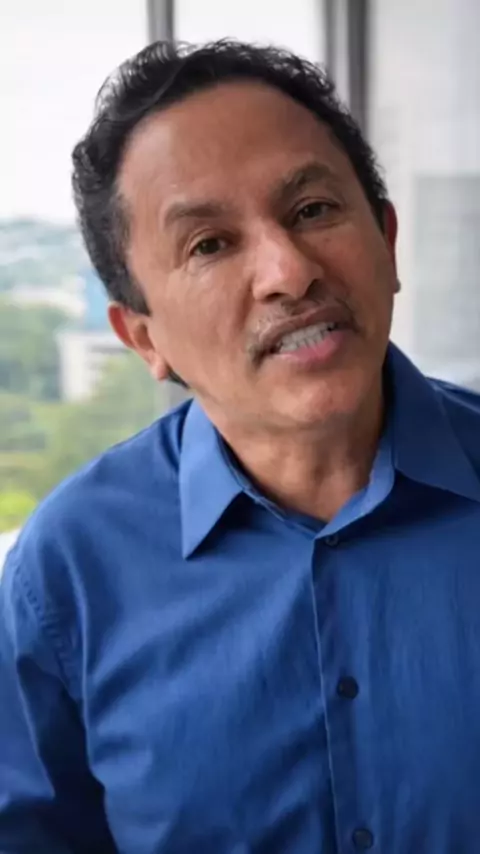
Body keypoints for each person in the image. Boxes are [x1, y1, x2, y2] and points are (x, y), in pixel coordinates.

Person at [1, 38, 480, 854]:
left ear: (388, 240)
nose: (289, 272)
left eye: (314, 210)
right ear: (143, 337)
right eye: (210, 245)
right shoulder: (68, 571)